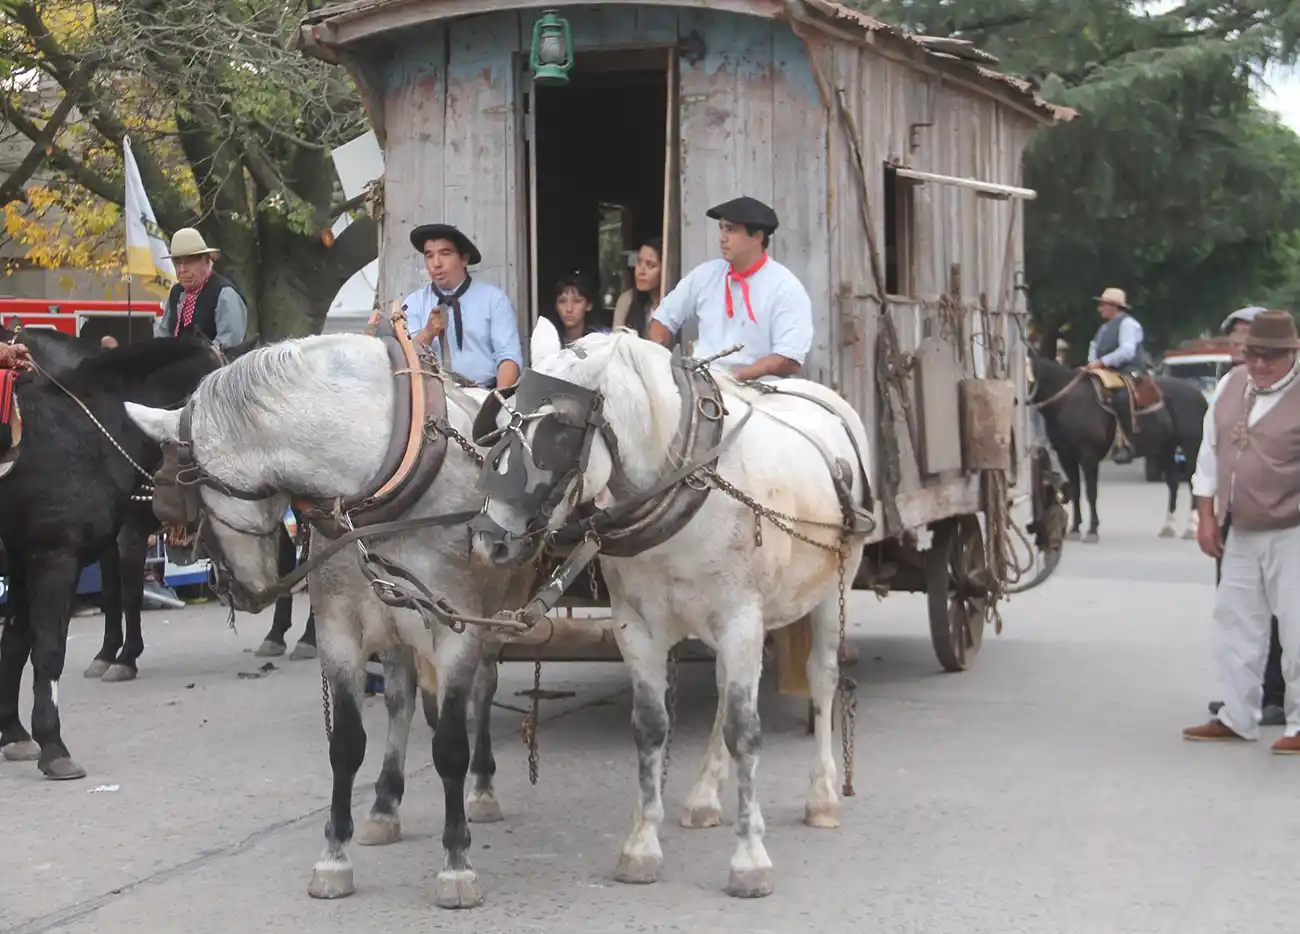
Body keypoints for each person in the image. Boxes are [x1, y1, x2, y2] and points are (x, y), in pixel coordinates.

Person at [1184, 309, 1300, 753]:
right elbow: (1209, 454)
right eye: (1253, 354)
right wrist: (1206, 516)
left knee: (1296, 626)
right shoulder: (1232, 384)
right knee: (1235, 621)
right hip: (1240, 528)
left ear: (1292, 354)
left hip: (1292, 529)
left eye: (1271, 356)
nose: (1260, 364)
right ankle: (1237, 716)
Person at [647, 197, 813, 383]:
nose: (722, 238)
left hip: (757, 389)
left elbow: (789, 358)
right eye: (722, 228)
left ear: (757, 237)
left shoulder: (785, 287)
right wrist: (656, 360)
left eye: (731, 230)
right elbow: (663, 319)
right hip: (701, 382)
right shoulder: (705, 275)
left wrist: (738, 377)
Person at [402, 223, 522, 390]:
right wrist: (428, 333)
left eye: (445, 254)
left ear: (464, 259)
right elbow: (404, 361)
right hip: (431, 398)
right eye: (429, 256)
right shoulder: (412, 304)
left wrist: (497, 401)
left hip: (483, 395)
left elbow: (508, 358)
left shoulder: (494, 300)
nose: (436, 263)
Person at [154, 227, 248, 350]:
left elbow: (228, 345)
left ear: (207, 260)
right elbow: (164, 335)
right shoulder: (176, 292)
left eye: (189, 262)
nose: (182, 270)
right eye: (177, 262)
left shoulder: (224, 294)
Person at [1085, 286, 1146, 463]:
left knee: (1121, 397)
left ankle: (1128, 443)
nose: (1100, 309)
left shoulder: (1129, 324)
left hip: (1129, 371)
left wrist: (1102, 362)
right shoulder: (1103, 328)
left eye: (1103, 305)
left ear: (1114, 306)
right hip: (1105, 372)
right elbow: (1093, 347)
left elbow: (1127, 351)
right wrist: (1092, 364)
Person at [612, 236, 663, 337]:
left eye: (650, 265)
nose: (641, 271)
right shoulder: (627, 300)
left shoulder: (674, 303)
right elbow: (616, 341)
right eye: (639, 262)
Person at [553, 272, 607, 347]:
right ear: (556, 306)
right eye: (562, 301)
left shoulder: (602, 340)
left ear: (588, 305)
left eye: (577, 301)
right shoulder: (548, 340)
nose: (569, 309)